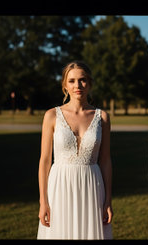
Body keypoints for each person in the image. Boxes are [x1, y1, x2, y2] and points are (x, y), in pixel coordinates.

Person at [37, 61, 113, 239]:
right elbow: (45, 161)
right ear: (65, 85)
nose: (77, 85)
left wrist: (108, 200)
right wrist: (43, 201)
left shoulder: (102, 117)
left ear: (90, 83)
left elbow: (106, 161)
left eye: (82, 80)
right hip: (60, 187)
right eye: (72, 81)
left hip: (92, 187)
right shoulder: (51, 116)